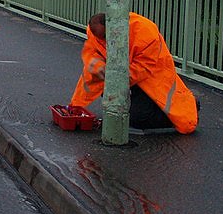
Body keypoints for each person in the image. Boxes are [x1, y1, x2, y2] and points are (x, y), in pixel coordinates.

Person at [70, 12, 199, 134]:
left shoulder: (145, 32)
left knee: (140, 118)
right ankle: (137, 108)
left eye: (105, 37)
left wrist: (115, 80)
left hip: (152, 75)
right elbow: (92, 53)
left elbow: (143, 67)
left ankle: (189, 104)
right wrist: (100, 69)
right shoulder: (96, 32)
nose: (104, 41)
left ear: (114, 26)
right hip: (127, 74)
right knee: (115, 98)